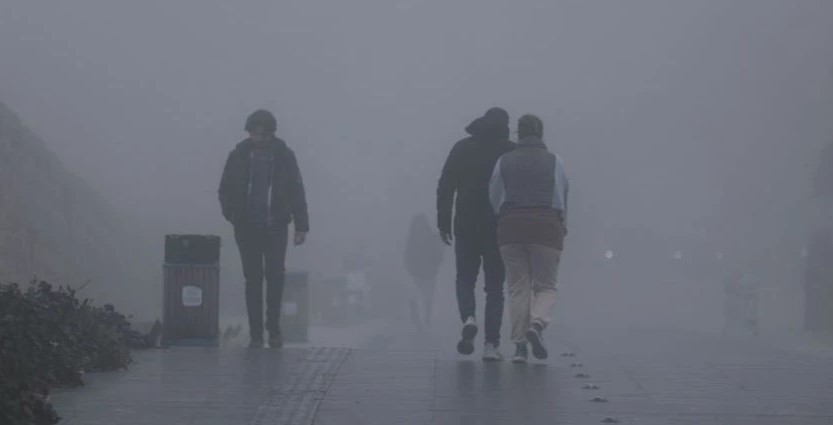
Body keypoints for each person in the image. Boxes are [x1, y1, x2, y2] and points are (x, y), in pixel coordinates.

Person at [218, 109, 309, 348]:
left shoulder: (284, 157)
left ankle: (274, 330)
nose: (258, 139)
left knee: (275, 277)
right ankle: (256, 333)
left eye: (263, 134)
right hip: (247, 227)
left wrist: (301, 226)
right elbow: (224, 189)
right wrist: (233, 215)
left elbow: (296, 190)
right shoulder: (238, 155)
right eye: (254, 134)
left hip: (275, 226)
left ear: (271, 135)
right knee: (253, 280)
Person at [437, 107, 516, 361]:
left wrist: (443, 220)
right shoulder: (509, 152)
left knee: (465, 279)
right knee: (494, 287)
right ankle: (491, 345)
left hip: (466, 224)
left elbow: (446, 185)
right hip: (498, 226)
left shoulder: (462, 148)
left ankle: (468, 317)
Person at [489, 114, 568, 363]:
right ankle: (537, 324)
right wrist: (561, 223)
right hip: (545, 227)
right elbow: (559, 196)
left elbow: (495, 195)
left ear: (518, 135)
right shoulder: (554, 161)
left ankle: (520, 347)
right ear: (541, 133)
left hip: (511, 229)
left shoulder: (504, 161)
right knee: (545, 286)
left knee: (517, 288)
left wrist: (503, 215)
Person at [404, 213, 446, 330]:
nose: (419, 227)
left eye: (421, 224)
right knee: (413, 297)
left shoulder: (432, 238)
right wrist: (410, 268)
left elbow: (439, 254)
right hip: (415, 274)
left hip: (430, 273)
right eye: (417, 224)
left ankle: (427, 318)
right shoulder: (411, 239)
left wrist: (435, 266)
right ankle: (416, 319)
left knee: (428, 298)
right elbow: (407, 255)